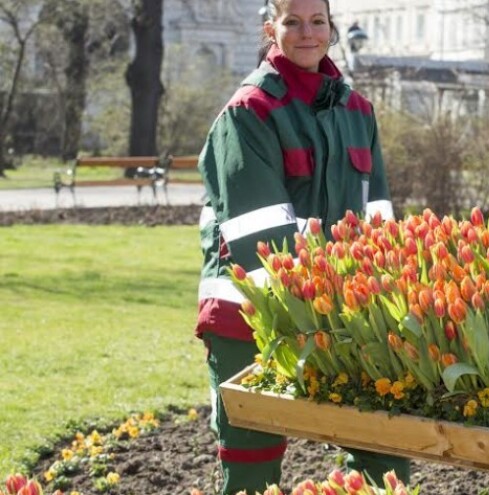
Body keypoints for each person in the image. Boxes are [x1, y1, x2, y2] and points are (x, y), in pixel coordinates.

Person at [195, 0, 409, 493]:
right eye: (292, 22)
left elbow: (378, 219)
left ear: (332, 29)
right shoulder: (249, 112)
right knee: (252, 465)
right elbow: (260, 242)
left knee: (386, 449)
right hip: (249, 316)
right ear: (271, 29)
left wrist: (384, 305)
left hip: (342, 312)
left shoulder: (357, 112)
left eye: (318, 21)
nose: (307, 33)